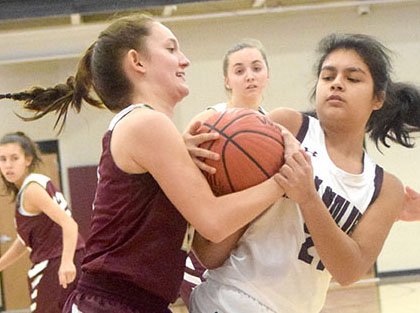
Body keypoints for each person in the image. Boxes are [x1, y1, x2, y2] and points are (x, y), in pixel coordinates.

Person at [0, 14, 299, 313]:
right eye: (171, 49)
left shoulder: (149, 129)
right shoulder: (145, 123)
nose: (185, 61)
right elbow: (215, 221)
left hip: (138, 303)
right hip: (110, 305)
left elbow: (208, 252)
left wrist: (250, 181)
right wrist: (283, 178)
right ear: (137, 62)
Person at [188, 33, 420, 313]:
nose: (336, 83)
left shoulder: (385, 188)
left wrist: (308, 197)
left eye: (353, 78)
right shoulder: (285, 127)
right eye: (328, 76)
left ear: (378, 99)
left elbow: (349, 272)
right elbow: (210, 253)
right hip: (229, 298)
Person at [180, 38, 271, 306]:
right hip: (206, 243)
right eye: (239, 70)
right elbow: (176, 168)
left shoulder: (274, 127)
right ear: (227, 80)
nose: (249, 76)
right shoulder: (210, 120)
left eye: (256, 68)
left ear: (267, 74)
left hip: (249, 247)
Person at [0, 132, 85, 313]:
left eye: (14, 158)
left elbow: (69, 224)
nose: (8, 165)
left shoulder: (32, 190)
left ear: (28, 159)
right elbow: (24, 241)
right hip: (64, 257)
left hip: (57, 261)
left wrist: (66, 262)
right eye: (3, 159)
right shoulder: (33, 185)